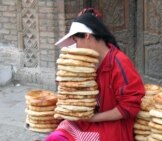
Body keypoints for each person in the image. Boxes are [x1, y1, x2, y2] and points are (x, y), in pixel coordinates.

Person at [45, 8, 145, 141]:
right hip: (88, 120)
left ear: (87, 35)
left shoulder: (119, 62)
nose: (75, 47)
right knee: (57, 136)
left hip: (112, 125)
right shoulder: (86, 65)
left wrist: (92, 118)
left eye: (76, 41)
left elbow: (129, 107)